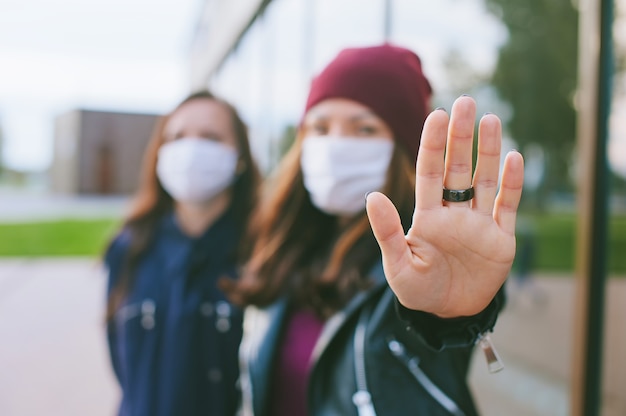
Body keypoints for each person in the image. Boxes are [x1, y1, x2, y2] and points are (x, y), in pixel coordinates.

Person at [224, 44, 524, 415]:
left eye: (364, 128)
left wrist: (449, 315)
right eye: (319, 127)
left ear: (404, 149)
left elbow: (436, 332)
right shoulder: (283, 248)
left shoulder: (431, 255)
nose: (335, 144)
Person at [104, 90, 260, 416]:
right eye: (175, 137)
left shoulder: (263, 252)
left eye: (211, 137)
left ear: (240, 157)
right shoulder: (130, 248)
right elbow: (122, 363)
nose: (190, 149)